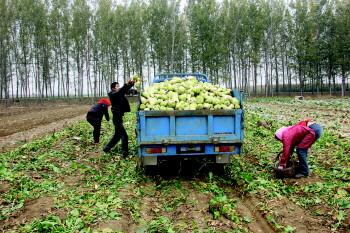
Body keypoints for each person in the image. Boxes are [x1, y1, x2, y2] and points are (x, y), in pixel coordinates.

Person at [103, 80, 135, 156]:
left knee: (117, 135)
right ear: (113, 88)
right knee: (124, 135)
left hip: (118, 117)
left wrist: (131, 84)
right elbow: (121, 91)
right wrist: (126, 84)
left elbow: (124, 90)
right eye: (117, 86)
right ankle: (125, 152)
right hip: (116, 119)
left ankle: (107, 148)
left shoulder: (118, 94)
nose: (118, 87)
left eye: (118, 86)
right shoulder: (113, 94)